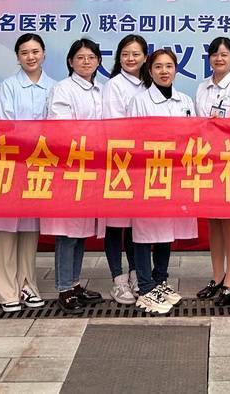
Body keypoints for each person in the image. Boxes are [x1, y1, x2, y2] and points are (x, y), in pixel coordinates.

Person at [125, 48, 199, 314]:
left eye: (169, 66)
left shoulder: (185, 100)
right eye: (158, 67)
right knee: (145, 231)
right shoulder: (139, 101)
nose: (164, 71)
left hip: (175, 174)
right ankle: (145, 287)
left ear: (176, 69)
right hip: (148, 173)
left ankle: (160, 280)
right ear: (150, 70)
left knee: (166, 229)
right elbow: (131, 138)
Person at [0, 33, 55, 312]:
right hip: (13, 164)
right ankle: (6, 291)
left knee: (29, 228)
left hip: (40, 165)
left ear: (43, 54)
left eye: (35, 51)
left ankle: (27, 285)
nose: (31, 57)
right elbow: (6, 124)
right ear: (17, 56)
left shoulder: (53, 86)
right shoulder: (9, 86)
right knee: (7, 228)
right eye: (25, 52)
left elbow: (56, 126)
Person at [42, 38, 105, 313]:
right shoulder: (63, 89)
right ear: (70, 61)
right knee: (67, 232)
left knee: (81, 231)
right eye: (80, 57)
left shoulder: (101, 90)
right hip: (69, 168)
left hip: (92, 168)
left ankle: (75, 283)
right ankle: (64, 288)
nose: (86, 62)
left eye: (91, 57)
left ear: (99, 61)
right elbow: (62, 127)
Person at [193, 36, 230, 306]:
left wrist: (221, 124)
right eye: (215, 54)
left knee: (229, 219)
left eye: (224, 54)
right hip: (206, 161)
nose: (219, 58)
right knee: (213, 221)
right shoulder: (201, 88)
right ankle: (216, 277)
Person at [100, 34, 147, 304]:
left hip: (142, 164)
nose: (131, 58)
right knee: (115, 224)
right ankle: (118, 279)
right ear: (119, 57)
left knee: (135, 223)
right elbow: (113, 126)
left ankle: (135, 273)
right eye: (125, 54)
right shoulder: (114, 85)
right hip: (119, 161)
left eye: (136, 54)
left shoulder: (149, 83)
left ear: (145, 57)